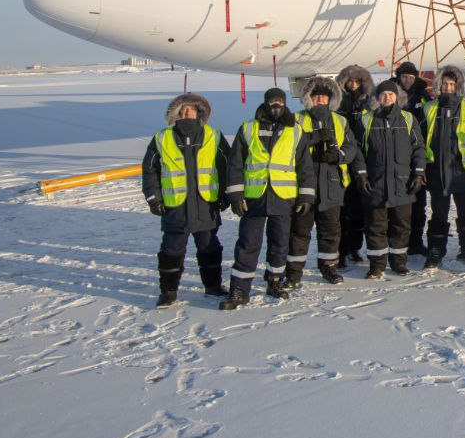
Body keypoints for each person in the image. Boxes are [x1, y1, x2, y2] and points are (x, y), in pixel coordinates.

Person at [220, 88, 315, 310]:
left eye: (280, 101)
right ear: (265, 103)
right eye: (272, 101)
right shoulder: (248, 128)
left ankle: (275, 281)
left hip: (283, 197)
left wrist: (306, 196)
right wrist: (235, 195)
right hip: (254, 198)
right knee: (247, 244)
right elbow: (234, 164)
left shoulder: (295, 131)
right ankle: (240, 290)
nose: (276, 105)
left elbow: (305, 168)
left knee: (280, 244)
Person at [142, 93, 229, 308]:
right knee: (171, 250)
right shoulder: (162, 138)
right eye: (183, 109)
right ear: (177, 113)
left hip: (205, 204)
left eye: (191, 109)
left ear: (199, 112)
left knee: (210, 248)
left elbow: (227, 166)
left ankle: (213, 286)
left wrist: (226, 194)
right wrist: (154, 198)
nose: (187, 112)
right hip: (175, 206)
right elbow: (149, 170)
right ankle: (168, 292)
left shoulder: (213, 135)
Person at [288, 77, 364, 289]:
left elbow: (351, 148)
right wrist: (312, 138)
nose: (320, 99)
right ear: (309, 98)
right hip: (304, 184)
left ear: (331, 99)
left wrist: (337, 155)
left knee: (330, 230)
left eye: (324, 96)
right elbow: (287, 145)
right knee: (300, 231)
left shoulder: (339, 121)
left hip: (332, 183)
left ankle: (328, 266)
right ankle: (294, 271)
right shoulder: (296, 119)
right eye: (316, 95)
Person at [357, 79, 427, 279]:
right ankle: (377, 265)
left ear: (397, 97)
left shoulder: (407, 119)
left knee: (401, 226)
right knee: (375, 226)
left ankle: (398, 262)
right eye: (383, 94)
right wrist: (361, 175)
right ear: (377, 97)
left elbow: (418, 148)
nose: (387, 97)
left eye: (391, 94)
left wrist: (419, 173)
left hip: (402, 183)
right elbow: (359, 152)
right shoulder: (366, 120)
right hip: (376, 184)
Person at [422, 66, 465, 268]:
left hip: (464, 172)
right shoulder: (430, 108)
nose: (449, 87)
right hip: (437, 172)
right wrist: (422, 168)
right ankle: (435, 252)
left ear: (458, 86)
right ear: (439, 85)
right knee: (438, 214)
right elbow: (420, 141)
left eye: (452, 84)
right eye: (445, 84)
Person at [336, 65, 375, 266]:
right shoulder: (337, 103)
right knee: (342, 210)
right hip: (342, 159)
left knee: (360, 210)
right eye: (349, 81)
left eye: (357, 81)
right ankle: (340, 250)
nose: (353, 85)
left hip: (363, 159)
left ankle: (354, 248)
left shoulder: (369, 103)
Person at [392, 61, 432, 257]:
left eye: (411, 77)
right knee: (397, 205)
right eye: (404, 76)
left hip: (416, 154)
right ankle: (398, 244)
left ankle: (416, 241)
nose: (407, 80)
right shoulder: (390, 93)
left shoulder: (423, 96)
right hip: (395, 157)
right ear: (399, 77)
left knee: (418, 204)